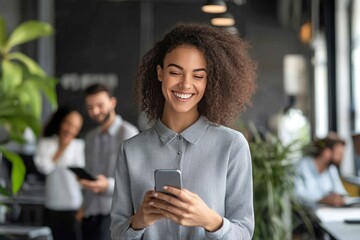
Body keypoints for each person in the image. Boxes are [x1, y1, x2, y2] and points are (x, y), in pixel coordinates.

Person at [110, 23, 257, 239]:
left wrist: (209, 220)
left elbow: (244, 233)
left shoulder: (232, 145)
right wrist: (139, 221)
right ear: (160, 73)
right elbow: (116, 233)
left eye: (198, 76)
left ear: (209, 81)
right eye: (175, 72)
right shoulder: (130, 150)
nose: (185, 84)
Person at [79, 83, 139, 240]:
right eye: (90, 107)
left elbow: (136, 181)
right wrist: (83, 207)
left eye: (100, 105)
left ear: (112, 102)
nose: (95, 111)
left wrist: (107, 185)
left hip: (116, 215)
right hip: (90, 214)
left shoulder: (129, 133)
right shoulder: (90, 137)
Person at [34, 106, 84, 240]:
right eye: (68, 123)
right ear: (61, 121)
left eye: (75, 127)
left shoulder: (80, 146)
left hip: (74, 206)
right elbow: (44, 168)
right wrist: (61, 148)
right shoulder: (46, 143)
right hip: (52, 204)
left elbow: (83, 180)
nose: (70, 129)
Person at [294, 135, 348, 207]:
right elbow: (296, 195)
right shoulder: (301, 166)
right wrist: (322, 199)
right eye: (339, 154)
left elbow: (341, 192)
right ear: (326, 152)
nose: (342, 158)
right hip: (305, 215)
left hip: (328, 214)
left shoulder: (332, 169)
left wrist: (339, 197)